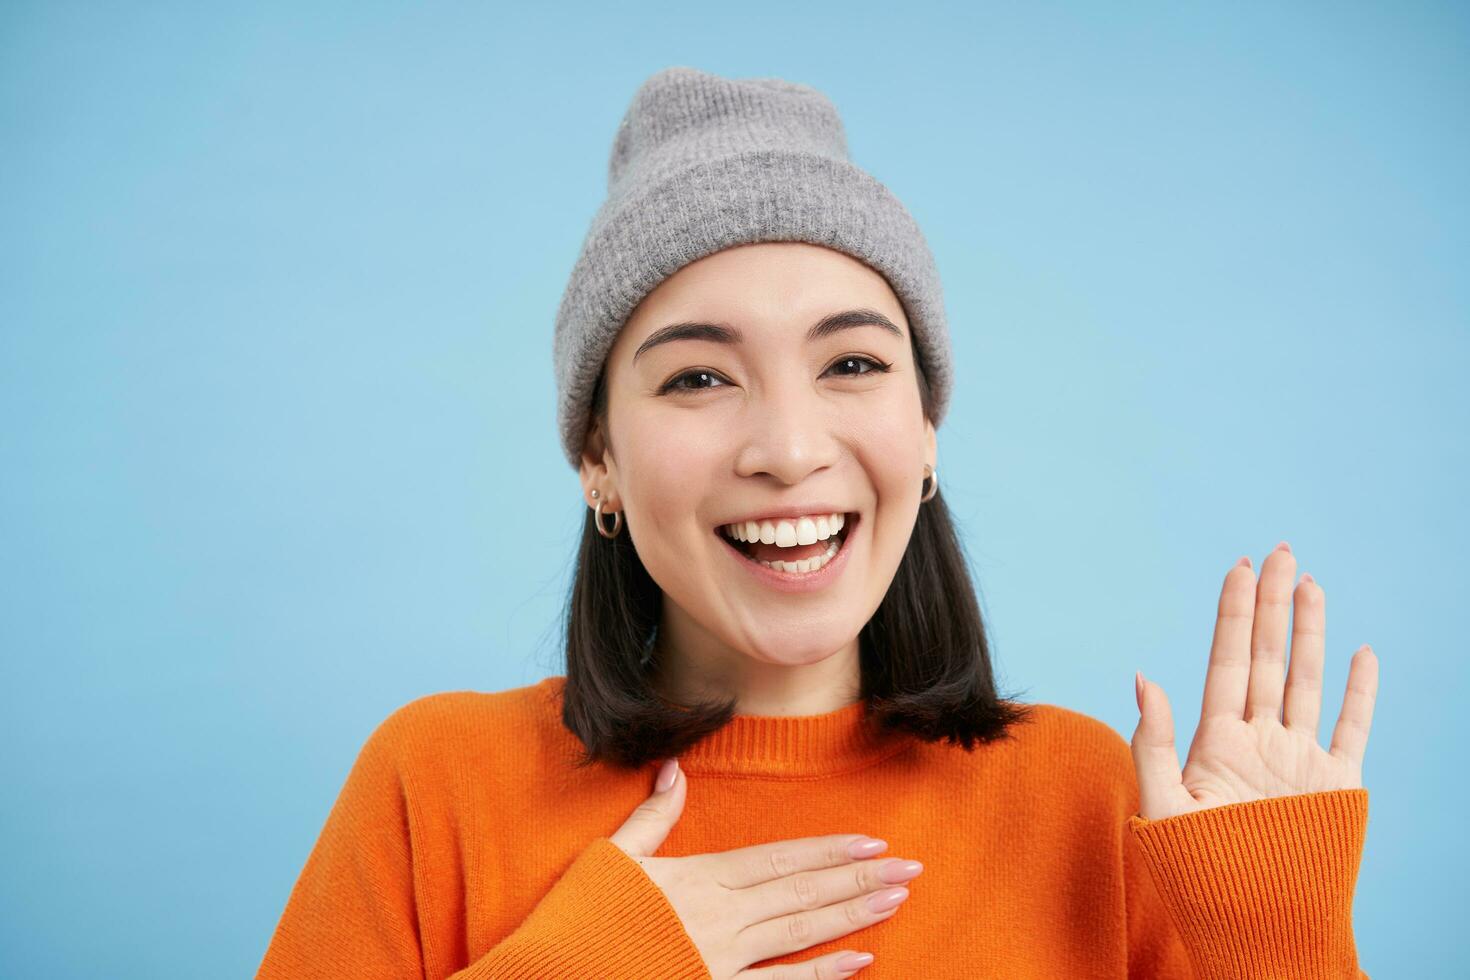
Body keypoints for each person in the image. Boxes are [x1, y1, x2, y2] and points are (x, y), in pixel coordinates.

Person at [256, 66, 1379, 979]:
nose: (788, 448)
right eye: (698, 378)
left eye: (850, 362)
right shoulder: (435, 783)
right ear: (597, 455)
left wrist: (1276, 944)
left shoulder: (1091, 801)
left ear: (926, 430)